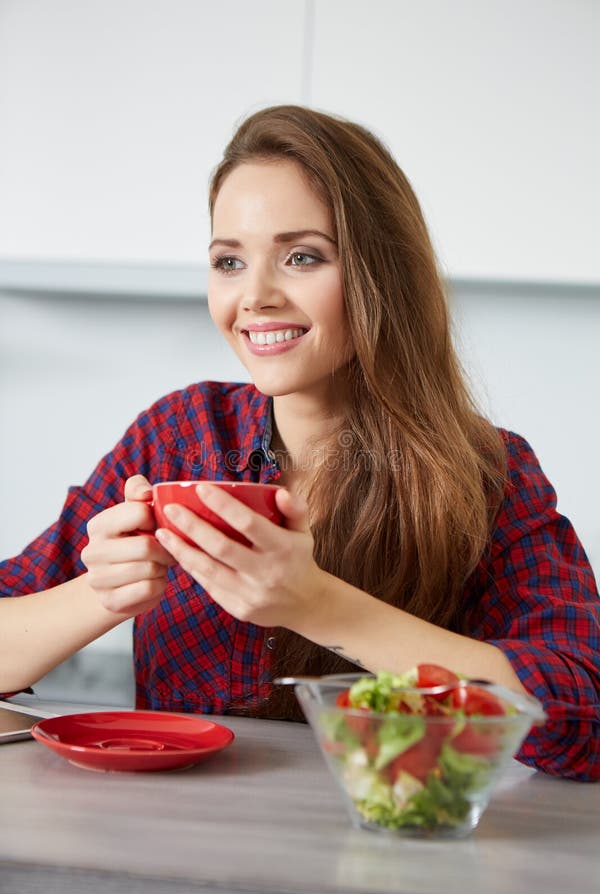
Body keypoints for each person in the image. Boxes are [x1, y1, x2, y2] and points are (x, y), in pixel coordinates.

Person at [0, 105, 598, 781]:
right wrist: (103, 593)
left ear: (381, 272)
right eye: (229, 261)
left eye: (301, 256)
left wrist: (318, 605)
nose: (254, 296)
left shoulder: (488, 473)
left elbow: (584, 711)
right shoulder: (179, 438)